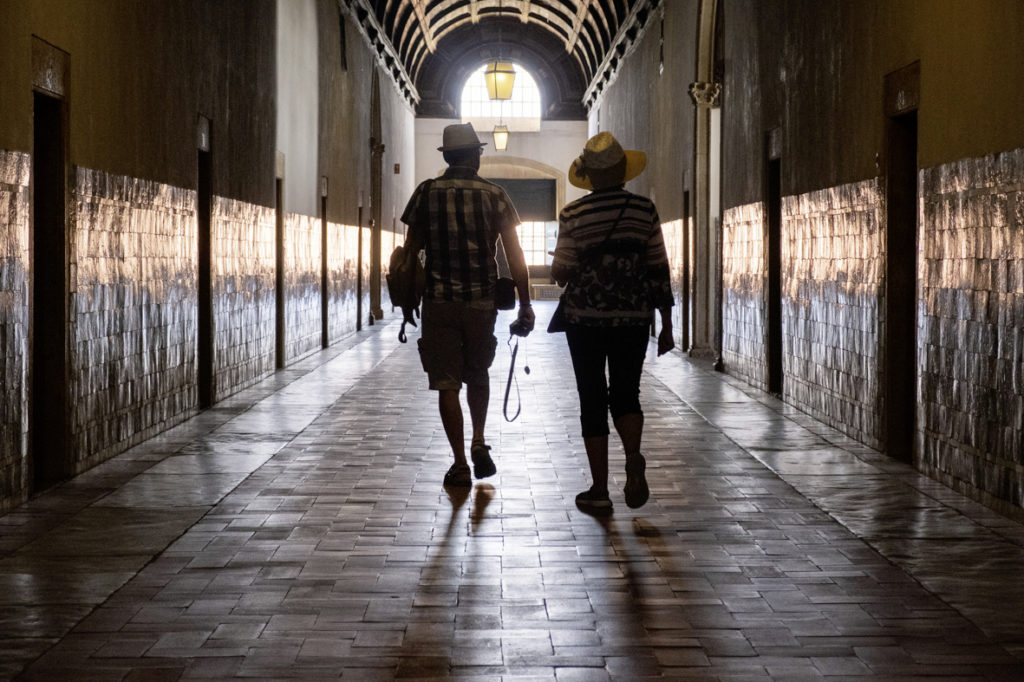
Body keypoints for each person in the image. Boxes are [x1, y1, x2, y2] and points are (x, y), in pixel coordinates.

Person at [400, 123, 535, 488]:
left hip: (439, 301)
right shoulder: (495, 194)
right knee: (478, 373)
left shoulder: (426, 193)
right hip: (482, 302)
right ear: (474, 156)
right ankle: (478, 439)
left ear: (447, 157)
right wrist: (525, 303)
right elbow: (515, 253)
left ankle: (459, 462)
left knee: (446, 382)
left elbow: (411, 252)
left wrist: (407, 300)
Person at [550, 131, 674, 511]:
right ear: (622, 170)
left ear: (588, 174)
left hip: (585, 320)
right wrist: (667, 324)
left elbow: (561, 271)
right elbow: (658, 267)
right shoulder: (643, 210)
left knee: (592, 397)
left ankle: (600, 489)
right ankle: (633, 454)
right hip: (633, 317)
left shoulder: (573, 214)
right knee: (626, 393)